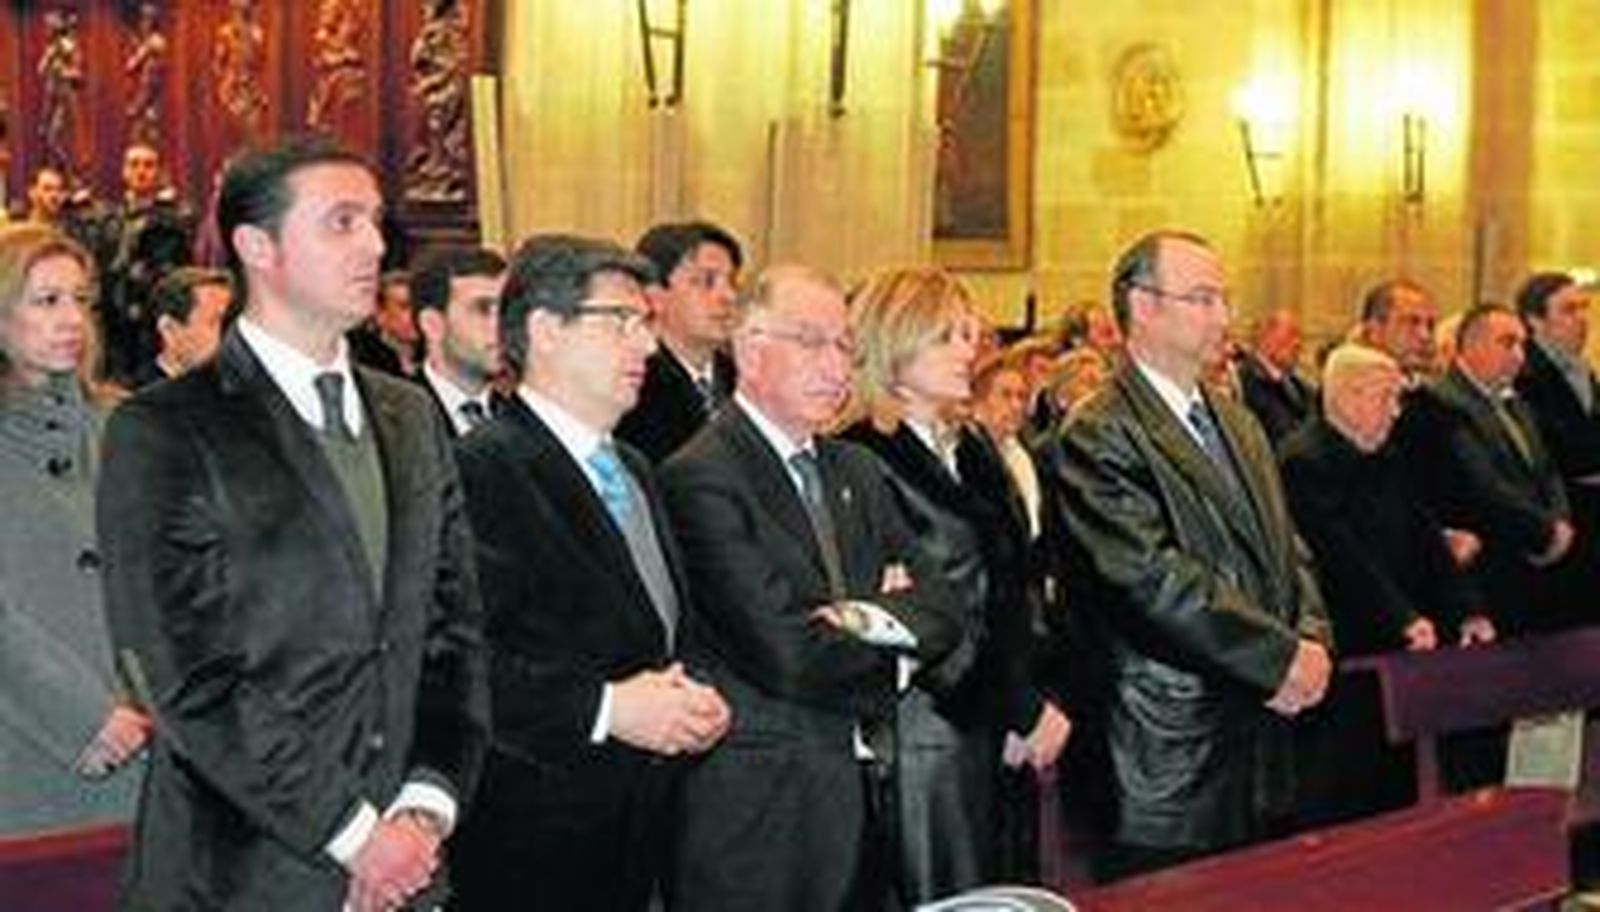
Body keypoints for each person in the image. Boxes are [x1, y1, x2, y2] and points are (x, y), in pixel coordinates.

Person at [97, 135, 487, 910]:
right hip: (244, 869)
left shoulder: (408, 414)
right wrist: (354, 836)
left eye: (376, 222)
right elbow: (186, 676)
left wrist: (423, 808)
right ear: (257, 245)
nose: (376, 245)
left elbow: (454, 631)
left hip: (409, 863)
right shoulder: (166, 427)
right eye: (341, 222)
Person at [660, 265, 962, 911]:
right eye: (811, 341)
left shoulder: (857, 467)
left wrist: (855, 619)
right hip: (759, 811)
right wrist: (894, 634)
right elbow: (786, 652)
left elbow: (942, 608)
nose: (836, 366)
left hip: (862, 794)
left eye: (846, 347)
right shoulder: (700, 475)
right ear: (749, 348)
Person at [449, 234, 730, 910]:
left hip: (639, 833)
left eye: (647, 324)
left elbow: (656, 629)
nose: (647, 347)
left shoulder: (633, 467)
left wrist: (693, 692)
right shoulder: (480, 467)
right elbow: (463, 659)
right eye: (621, 322)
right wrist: (607, 708)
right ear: (545, 330)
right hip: (531, 840)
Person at [1050, 230, 1332, 879]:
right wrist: (1278, 657)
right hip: (1165, 748)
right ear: (1143, 307)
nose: (1224, 317)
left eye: (1223, 298)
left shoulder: (1237, 420)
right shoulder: (1100, 429)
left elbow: (1288, 546)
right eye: (1202, 298)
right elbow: (1147, 579)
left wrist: (1312, 638)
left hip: (1258, 733)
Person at [838, 266, 1070, 900]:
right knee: (942, 891)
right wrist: (1015, 705)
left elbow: (1009, 584)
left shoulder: (969, 447)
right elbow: (917, 611)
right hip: (926, 730)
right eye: (947, 336)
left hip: (992, 715)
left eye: (970, 334)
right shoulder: (863, 456)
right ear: (895, 345)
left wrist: (1028, 698)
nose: (970, 350)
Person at [1279, 344, 1495, 824]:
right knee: (1343, 790)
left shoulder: (1387, 453)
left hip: (1401, 642)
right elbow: (1340, 557)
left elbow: (1426, 538)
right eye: (1386, 399)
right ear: (1350, 397)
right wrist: (1401, 617)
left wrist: (1468, 609)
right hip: (1348, 646)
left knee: (1399, 786)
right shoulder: (1303, 460)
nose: (1396, 412)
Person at [0, 223, 149, 835]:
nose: (71, 319)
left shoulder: (119, 422)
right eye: (46, 301)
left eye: (81, 301)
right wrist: (81, 713)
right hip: (28, 740)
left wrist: (146, 703)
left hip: (141, 734)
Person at [1400, 303, 1574, 637]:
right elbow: (1483, 485)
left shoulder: (1518, 404)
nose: (1519, 355)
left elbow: (1547, 469)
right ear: (1472, 345)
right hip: (1486, 571)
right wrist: (1544, 531)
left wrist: (1560, 522)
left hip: (1535, 566)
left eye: (1522, 344)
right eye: (1507, 343)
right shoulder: (1440, 403)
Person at [615, 220, 742, 463]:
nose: (729, 296)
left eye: (733, 282)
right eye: (706, 281)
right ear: (655, 296)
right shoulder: (633, 383)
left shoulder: (745, 379)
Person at [1515, 272, 1600, 629]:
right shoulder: (1526, 374)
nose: (1582, 319)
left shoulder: (1583, 370)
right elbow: (1559, 449)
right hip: (1563, 525)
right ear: (1536, 321)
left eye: (1584, 308)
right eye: (1568, 310)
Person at [91, 142, 196, 385]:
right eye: (134, 164)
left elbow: (180, 273)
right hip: (113, 323)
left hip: (152, 322)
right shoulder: (108, 219)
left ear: (158, 172)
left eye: (148, 165)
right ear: (124, 171)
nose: (141, 171)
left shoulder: (174, 219)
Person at [409, 246, 507, 436]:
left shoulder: (520, 417)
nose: (500, 326)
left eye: (505, 310)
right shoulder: (394, 419)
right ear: (432, 325)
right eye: (482, 309)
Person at [131, 265, 232, 387]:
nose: (231, 335)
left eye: (231, 321)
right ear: (169, 331)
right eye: (214, 322)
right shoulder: (140, 398)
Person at [1238, 308, 1315, 445]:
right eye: (1292, 334)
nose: (1298, 344)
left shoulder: (1299, 385)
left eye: (1300, 337)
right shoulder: (1246, 379)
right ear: (1266, 335)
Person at [349, 270, 420, 377]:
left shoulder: (431, 357)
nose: (415, 314)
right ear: (380, 313)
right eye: (404, 307)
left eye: (418, 306)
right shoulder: (366, 361)